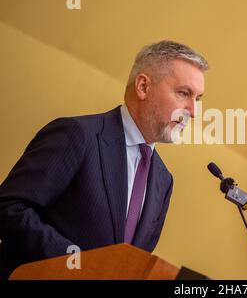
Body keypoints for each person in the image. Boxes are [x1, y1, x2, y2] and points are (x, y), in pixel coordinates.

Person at [0, 40, 208, 279]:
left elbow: (132, 263)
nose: (193, 111)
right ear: (143, 86)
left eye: (198, 99)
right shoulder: (77, 135)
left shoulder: (164, 180)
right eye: (183, 93)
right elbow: (9, 208)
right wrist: (81, 265)